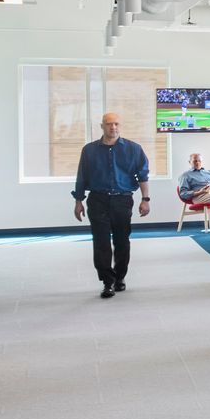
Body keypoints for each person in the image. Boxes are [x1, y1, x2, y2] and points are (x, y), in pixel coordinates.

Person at [71, 111, 151, 298]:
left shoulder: (134, 149)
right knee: (101, 242)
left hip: (122, 200)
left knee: (122, 241)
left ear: (120, 126)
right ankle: (108, 282)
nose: (112, 127)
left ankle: (120, 277)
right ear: (102, 126)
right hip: (97, 200)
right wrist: (78, 201)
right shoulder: (89, 150)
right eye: (108, 124)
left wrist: (145, 200)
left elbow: (143, 176)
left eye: (116, 124)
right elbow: (81, 177)